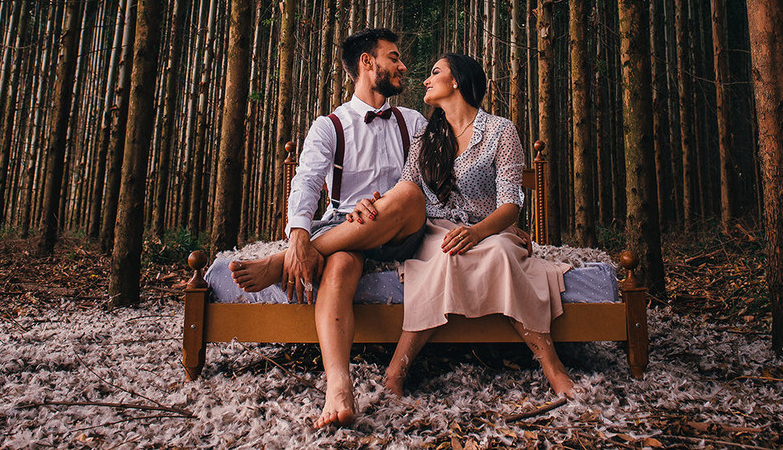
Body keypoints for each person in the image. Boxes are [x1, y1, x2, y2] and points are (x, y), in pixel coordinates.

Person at [229, 28, 427, 429]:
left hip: (400, 228)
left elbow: (432, 183)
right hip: (346, 228)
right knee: (338, 268)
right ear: (366, 63)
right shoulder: (330, 125)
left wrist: (382, 203)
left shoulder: (414, 121)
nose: (402, 66)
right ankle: (338, 386)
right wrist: (299, 234)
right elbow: (306, 179)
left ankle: (285, 260)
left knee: (406, 195)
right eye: (394, 57)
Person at [366, 52, 577, 400]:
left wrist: (479, 232)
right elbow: (406, 189)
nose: (425, 80)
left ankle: (552, 366)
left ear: (457, 81)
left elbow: (511, 202)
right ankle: (397, 369)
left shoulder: (500, 131)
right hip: (436, 231)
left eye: (435, 73)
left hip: (490, 230)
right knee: (448, 254)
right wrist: (376, 203)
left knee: (497, 254)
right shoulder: (424, 138)